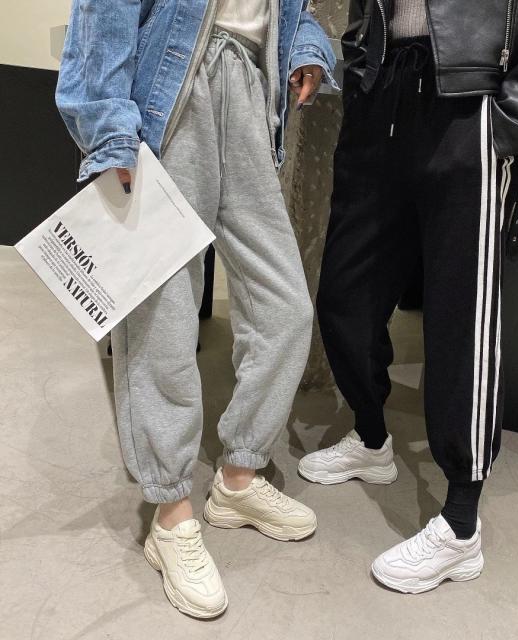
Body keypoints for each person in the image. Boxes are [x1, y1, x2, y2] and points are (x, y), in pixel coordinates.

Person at [299, 0, 518, 593]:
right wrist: (363, 66)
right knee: (345, 294)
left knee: (460, 318)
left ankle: (461, 524)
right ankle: (371, 438)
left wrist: (511, 121)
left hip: (471, 106)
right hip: (383, 93)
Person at [56, 0, 336, 619]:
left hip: (253, 88)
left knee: (286, 306)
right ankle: (171, 511)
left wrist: (304, 48)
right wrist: (107, 127)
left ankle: (238, 479)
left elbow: (290, 11)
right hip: (178, 86)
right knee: (164, 316)